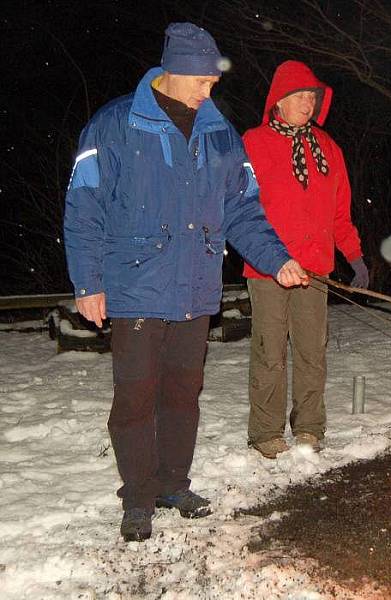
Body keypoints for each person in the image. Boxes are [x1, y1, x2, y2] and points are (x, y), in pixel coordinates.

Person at [63, 23, 307, 543]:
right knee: (135, 396)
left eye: (212, 83)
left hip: (196, 287)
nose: (208, 90)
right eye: (201, 81)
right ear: (172, 71)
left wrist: (276, 258)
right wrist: (88, 284)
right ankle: (138, 496)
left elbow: (243, 209)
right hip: (134, 287)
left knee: (183, 392)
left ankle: (174, 483)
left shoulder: (220, 132)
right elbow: (83, 208)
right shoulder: (114, 125)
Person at [242, 60, 368, 459]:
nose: (307, 103)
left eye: (311, 96)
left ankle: (310, 427)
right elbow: (241, 208)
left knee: (312, 351)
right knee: (270, 351)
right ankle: (265, 432)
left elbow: (340, 213)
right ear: (277, 100)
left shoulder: (328, 149)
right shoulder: (253, 143)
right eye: (298, 95)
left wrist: (355, 255)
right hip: (268, 269)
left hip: (315, 268)